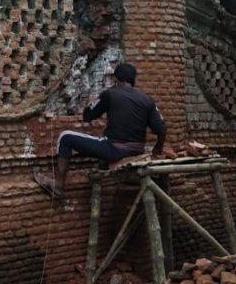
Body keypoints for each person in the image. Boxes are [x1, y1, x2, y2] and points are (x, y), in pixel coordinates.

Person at [34, 63, 166, 197]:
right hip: (137, 150)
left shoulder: (110, 94)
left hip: (114, 150)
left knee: (65, 137)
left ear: (116, 79)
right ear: (133, 80)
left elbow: (87, 116)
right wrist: (158, 148)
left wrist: (93, 101)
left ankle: (58, 185)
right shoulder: (147, 100)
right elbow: (161, 129)